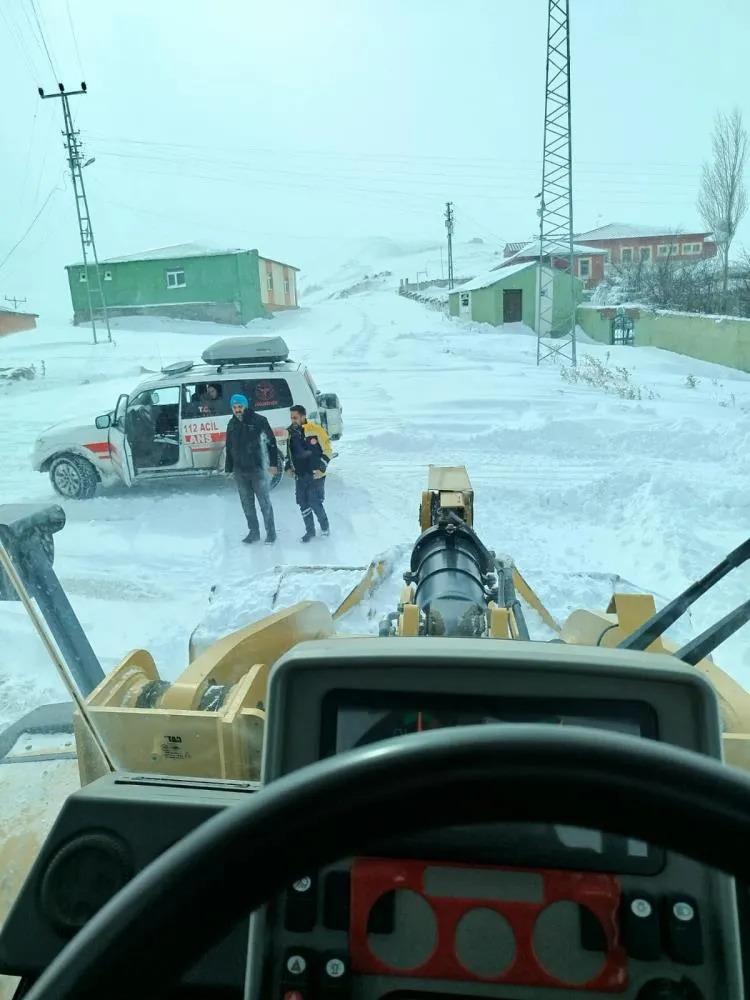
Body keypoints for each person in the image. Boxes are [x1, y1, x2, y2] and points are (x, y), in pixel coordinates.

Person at [224, 393, 278, 544]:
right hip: (240, 472)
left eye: (240, 407)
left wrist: (274, 464)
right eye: (234, 407)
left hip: (258, 469)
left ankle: (271, 533)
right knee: (247, 505)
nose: (237, 410)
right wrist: (228, 468)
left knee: (264, 503)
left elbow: (271, 443)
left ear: (245, 406)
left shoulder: (259, 421)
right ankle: (253, 532)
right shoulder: (231, 423)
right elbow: (229, 447)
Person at [285, 403, 332, 542]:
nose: (293, 420)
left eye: (296, 417)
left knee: (315, 502)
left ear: (303, 417)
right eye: (291, 418)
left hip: (315, 474)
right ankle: (310, 531)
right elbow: (288, 454)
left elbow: (328, 450)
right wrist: (289, 466)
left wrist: (321, 468)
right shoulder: (290, 433)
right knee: (303, 503)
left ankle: (325, 527)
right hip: (300, 475)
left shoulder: (316, 430)